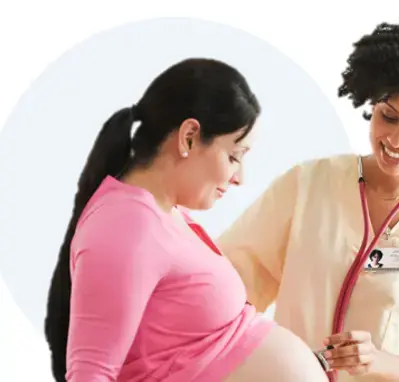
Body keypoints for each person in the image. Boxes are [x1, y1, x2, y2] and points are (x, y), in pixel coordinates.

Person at [217, 16, 399, 381]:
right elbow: (225, 287)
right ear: (372, 103)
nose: (398, 140)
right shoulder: (307, 185)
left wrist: (378, 361)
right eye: (388, 116)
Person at [43, 58, 329, 382]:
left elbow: (200, 347)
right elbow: (90, 374)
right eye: (234, 156)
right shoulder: (124, 228)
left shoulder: (164, 213)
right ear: (189, 137)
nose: (240, 178)